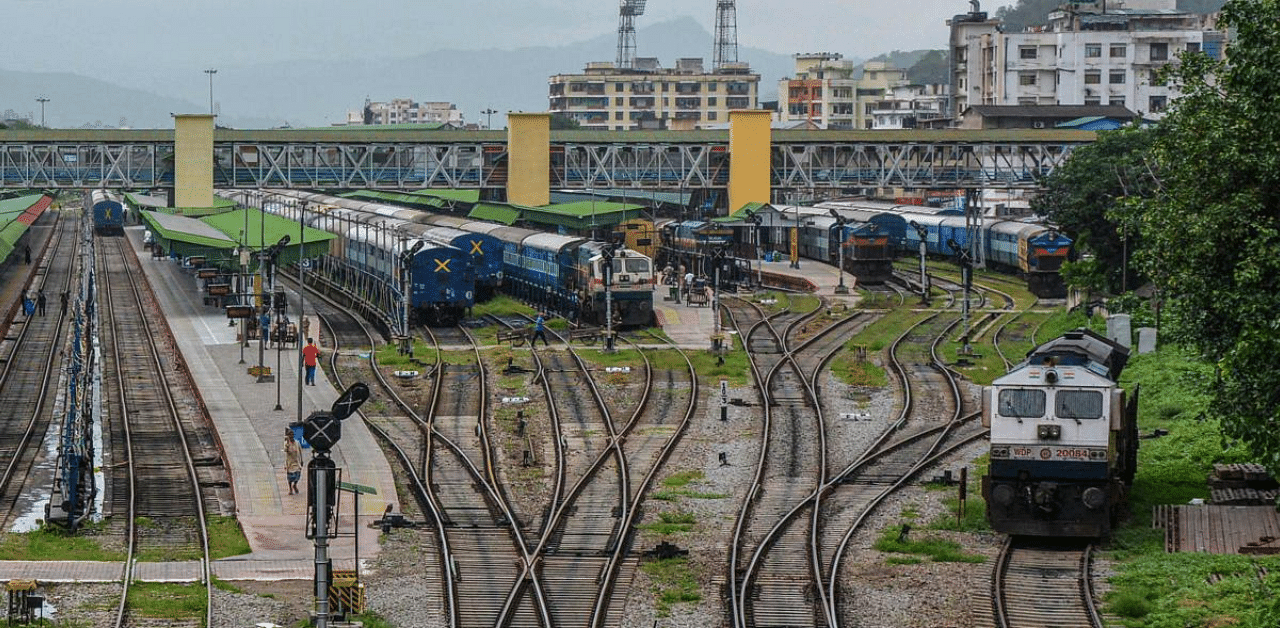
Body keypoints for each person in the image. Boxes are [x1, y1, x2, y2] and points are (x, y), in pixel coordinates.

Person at [283, 428, 303, 495]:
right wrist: (288, 443)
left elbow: (300, 451)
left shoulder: (297, 443)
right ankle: (290, 488)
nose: (291, 436)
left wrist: (301, 460)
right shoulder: (286, 443)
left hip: (296, 461)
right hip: (290, 462)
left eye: (292, 434)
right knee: (290, 477)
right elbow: (286, 450)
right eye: (290, 435)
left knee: (298, 474)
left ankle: (295, 484)